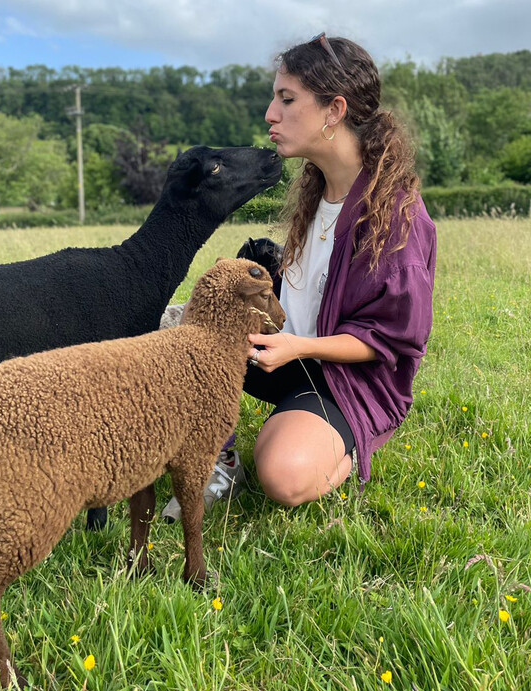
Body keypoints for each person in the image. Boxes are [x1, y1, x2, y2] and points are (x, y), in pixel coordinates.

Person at [162, 33, 436, 520]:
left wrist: (298, 348)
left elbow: (393, 340)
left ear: (334, 110)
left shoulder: (397, 217)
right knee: (165, 334)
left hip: (345, 379)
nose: (270, 113)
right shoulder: (317, 188)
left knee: (283, 474)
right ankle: (220, 457)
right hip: (286, 353)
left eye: (287, 99)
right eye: (275, 98)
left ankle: (344, 441)